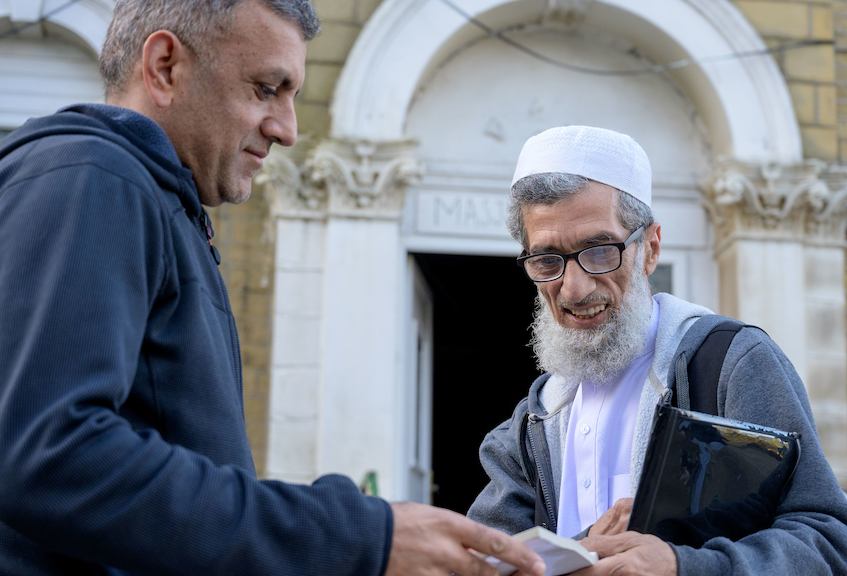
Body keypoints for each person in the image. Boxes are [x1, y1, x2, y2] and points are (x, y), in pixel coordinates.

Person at [0, 1, 545, 575]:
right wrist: (354, 536)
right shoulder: (92, 176)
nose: (287, 128)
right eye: (266, 88)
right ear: (164, 66)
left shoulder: (157, 203)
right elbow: (47, 453)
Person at [467, 125, 847, 575]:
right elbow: (482, 565)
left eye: (600, 251)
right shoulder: (530, 425)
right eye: (547, 261)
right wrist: (585, 549)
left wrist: (683, 567)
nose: (574, 288)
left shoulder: (730, 365)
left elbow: (833, 544)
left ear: (650, 249)